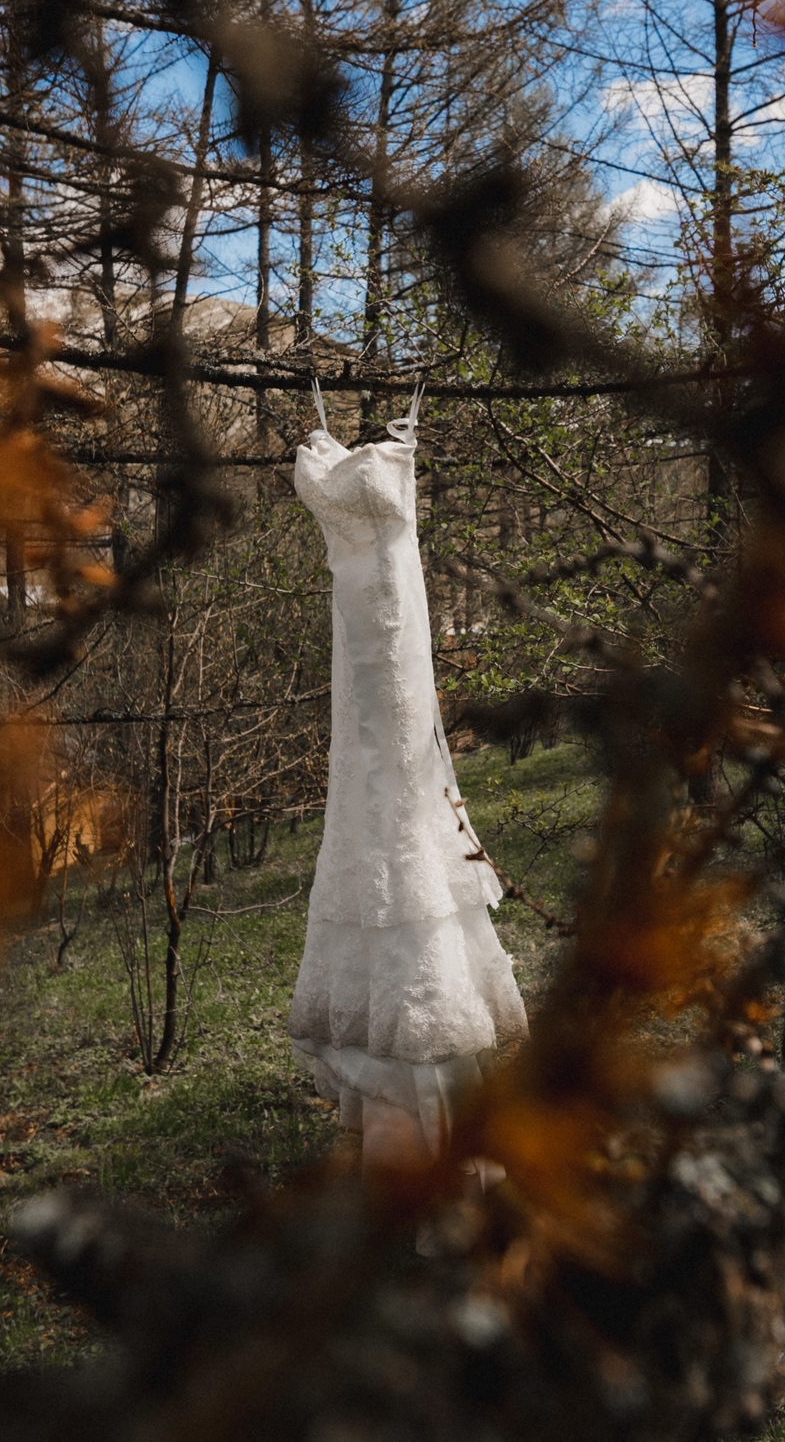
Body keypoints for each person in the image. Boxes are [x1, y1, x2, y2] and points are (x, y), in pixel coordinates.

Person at [286, 385, 527, 1163]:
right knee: (365, 791)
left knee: (403, 794)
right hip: (352, 642)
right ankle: (392, 1106)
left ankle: (426, 1073)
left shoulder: (397, 445)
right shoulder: (328, 449)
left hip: (397, 631)